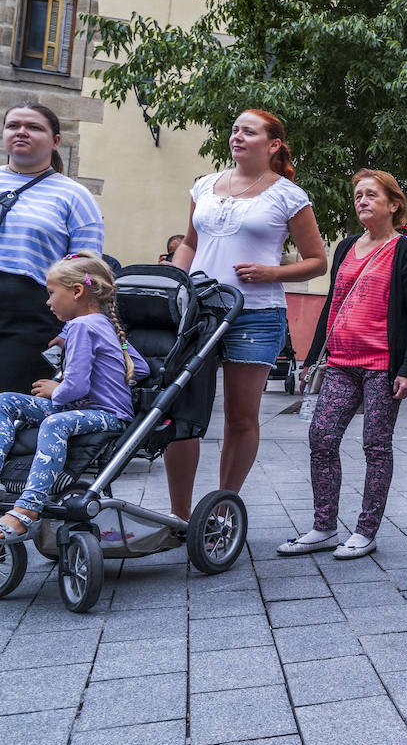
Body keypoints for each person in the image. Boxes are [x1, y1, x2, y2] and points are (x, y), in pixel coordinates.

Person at [167, 110, 328, 519]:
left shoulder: (288, 195)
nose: (237, 136)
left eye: (249, 131)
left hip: (254, 315)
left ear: (273, 144)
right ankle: (179, 516)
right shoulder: (204, 186)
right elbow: (189, 243)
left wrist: (272, 272)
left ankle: (220, 512)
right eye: (235, 128)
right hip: (198, 313)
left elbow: (317, 262)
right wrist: (174, 276)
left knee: (241, 416)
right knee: (180, 412)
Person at [276, 171, 407, 559]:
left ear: (393, 204)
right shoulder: (345, 247)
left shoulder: (405, 249)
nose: (362, 200)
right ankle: (324, 526)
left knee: (376, 446)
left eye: (371, 194)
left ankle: (365, 530)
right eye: (357, 194)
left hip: (382, 365)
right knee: (321, 438)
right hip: (341, 362)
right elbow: (333, 304)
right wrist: (312, 359)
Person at [0, 252, 147, 541]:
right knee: (6, 399)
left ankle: (28, 508)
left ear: (77, 291)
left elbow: (76, 389)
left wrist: (59, 388)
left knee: (49, 421)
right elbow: (139, 367)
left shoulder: (81, 326)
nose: (48, 301)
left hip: (105, 415)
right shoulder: (104, 323)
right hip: (86, 409)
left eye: (52, 293)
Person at [0, 102, 104, 395]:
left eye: (34, 127)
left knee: (7, 404)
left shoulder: (75, 196)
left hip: (30, 321)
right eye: (13, 126)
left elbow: (88, 276)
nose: (22, 132)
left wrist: (71, 331)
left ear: (56, 141)